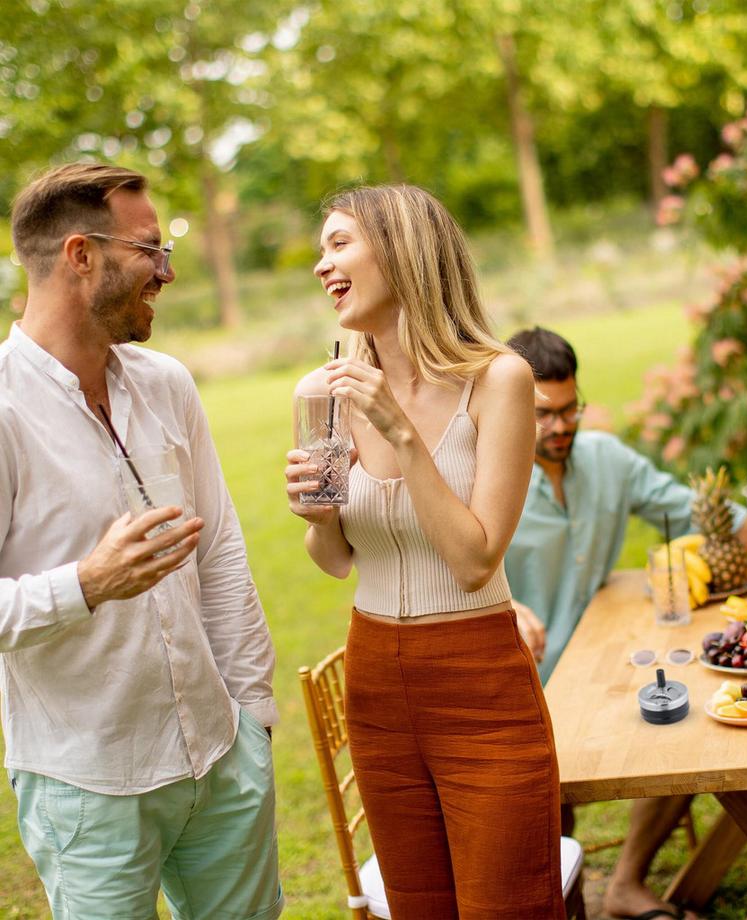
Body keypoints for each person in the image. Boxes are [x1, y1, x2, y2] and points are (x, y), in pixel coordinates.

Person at [503, 326, 747, 920]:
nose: (561, 427)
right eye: (544, 414)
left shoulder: (606, 460)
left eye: (571, 409)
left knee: (680, 717)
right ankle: (562, 905)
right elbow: (453, 561)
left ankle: (624, 883)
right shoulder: (487, 473)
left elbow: (704, 511)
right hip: (525, 679)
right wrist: (505, 605)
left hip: (604, 664)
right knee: (550, 794)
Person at [2, 163, 282, 919]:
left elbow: (221, 548)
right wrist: (86, 584)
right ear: (80, 256)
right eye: (149, 250)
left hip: (222, 761)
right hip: (89, 788)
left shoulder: (167, 384)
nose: (167, 270)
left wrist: (250, 717)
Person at [285, 185, 565, 919]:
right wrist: (316, 516)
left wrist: (399, 430)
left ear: (404, 251)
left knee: (508, 905)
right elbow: (337, 558)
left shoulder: (499, 379)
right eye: (323, 248)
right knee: (417, 907)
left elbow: (474, 559)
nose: (323, 265)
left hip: (481, 682)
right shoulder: (322, 393)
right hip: (376, 682)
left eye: (340, 243)